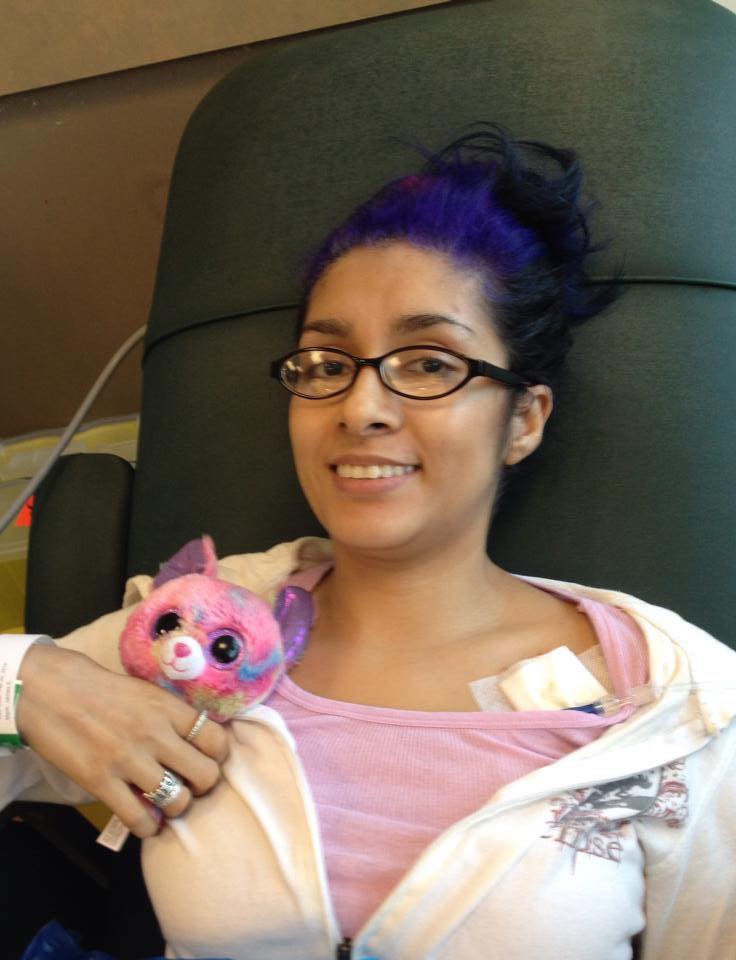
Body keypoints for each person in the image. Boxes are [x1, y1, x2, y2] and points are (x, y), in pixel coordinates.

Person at [3, 126, 736, 960]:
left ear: (524, 420)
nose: (361, 408)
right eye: (326, 363)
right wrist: (29, 680)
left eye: (429, 364)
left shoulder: (677, 701)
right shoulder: (203, 629)